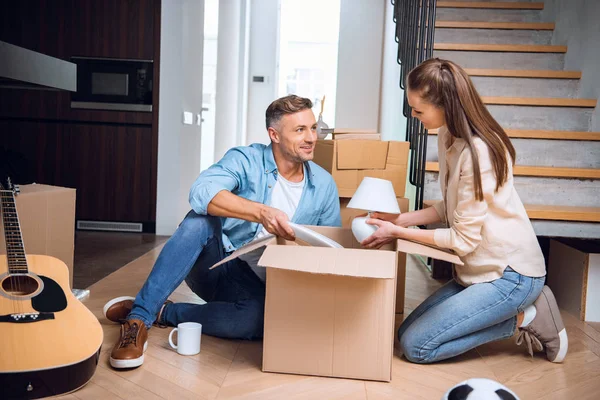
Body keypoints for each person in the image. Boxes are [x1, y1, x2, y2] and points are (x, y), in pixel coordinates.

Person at [103, 95, 341, 369]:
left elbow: (328, 247)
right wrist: (261, 212)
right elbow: (201, 192)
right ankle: (138, 321)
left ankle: (163, 311)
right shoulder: (245, 159)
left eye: (313, 128)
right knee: (199, 221)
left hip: (265, 286)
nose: (311, 137)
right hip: (217, 265)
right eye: (300, 130)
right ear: (274, 134)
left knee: (255, 321)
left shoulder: (324, 185)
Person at [362, 58, 567, 364]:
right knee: (405, 335)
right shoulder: (447, 134)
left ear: (445, 105)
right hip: (476, 271)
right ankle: (519, 311)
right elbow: (451, 206)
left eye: (418, 110)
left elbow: (462, 240)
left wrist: (398, 233)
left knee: (418, 348)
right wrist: (401, 219)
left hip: (510, 276)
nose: (414, 115)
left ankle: (528, 316)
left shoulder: (479, 152)